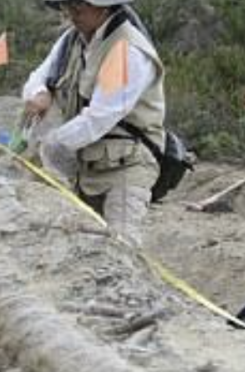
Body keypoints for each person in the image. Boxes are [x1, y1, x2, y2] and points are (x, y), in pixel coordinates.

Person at [23, 0, 168, 245]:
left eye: (78, 8)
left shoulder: (127, 50)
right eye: (67, 7)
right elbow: (37, 77)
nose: (70, 15)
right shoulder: (71, 41)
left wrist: (52, 143)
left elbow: (99, 117)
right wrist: (39, 93)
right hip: (82, 168)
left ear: (104, 9)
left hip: (125, 168)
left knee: (122, 247)